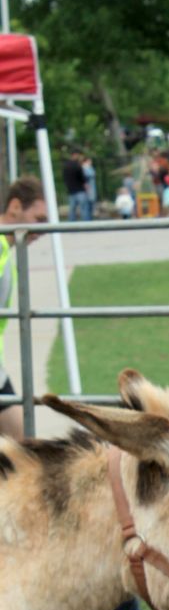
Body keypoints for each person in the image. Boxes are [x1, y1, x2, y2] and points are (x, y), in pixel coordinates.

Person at [0, 177, 48, 439]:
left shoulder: (7, 248)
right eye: (39, 219)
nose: (42, 230)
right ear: (15, 206)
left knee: (22, 446)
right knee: (24, 448)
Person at [63, 149, 89, 222]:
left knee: (72, 209)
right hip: (80, 189)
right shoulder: (77, 165)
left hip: (71, 189)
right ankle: (86, 224)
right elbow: (82, 177)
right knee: (83, 208)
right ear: (75, 155)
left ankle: (72, 224)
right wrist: (85, 184)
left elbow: (65, 177)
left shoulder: (66, 165)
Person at [82, 156, 97, 220]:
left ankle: (90, 219)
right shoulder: (84, 168)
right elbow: (90, 175)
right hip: (87, 189)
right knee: (87, 205)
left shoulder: (89, 168)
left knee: (91, 205)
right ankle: (87, 220)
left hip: (91, 189)